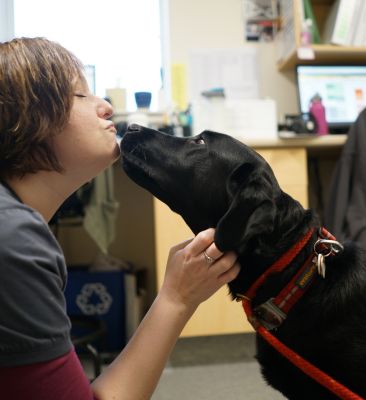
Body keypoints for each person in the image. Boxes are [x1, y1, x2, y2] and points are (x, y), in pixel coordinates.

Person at [0, 37, 240, 400]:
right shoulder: (12, 240)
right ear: (26, 117)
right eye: (80, 95)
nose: (107, 107)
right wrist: (176, 297)